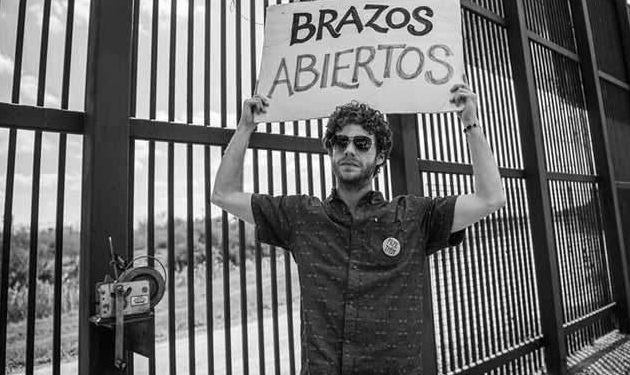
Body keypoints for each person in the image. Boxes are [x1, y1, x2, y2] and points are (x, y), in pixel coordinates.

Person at [211, 83, 505, 374]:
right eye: (340, 142)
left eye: (362, 143)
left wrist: (471, 123)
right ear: (330, 151)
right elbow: (223, 194)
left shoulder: (414, 217)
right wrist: (246, 126)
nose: (349, 149)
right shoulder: (301, 215)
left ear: (379, 157)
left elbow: (490, 198)